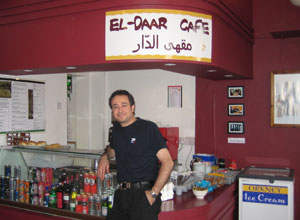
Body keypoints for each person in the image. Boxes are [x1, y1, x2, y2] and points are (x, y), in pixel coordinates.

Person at [97, 89, 174, 220]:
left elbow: (168, 162)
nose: (120, 110)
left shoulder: (148, 128)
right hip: (121, 195)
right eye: (115, 107)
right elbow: (112, 149)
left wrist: (153, 194)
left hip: (143, 195)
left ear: (132, 107)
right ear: (112, 111)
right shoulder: (116, 129)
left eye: (124, 105)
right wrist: (105, 156)